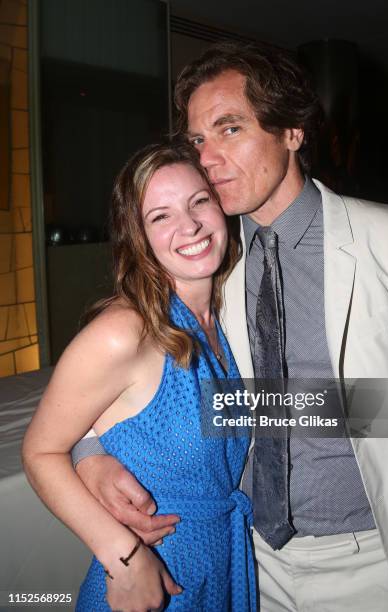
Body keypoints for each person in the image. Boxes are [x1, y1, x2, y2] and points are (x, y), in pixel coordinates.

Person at [72, 43, 388, 611]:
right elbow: (122, 363)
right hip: (247, 559)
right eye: (198, 140)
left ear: (293, 131)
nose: (209, 159)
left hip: (370, 557)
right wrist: (90, 449)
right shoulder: (205, 252)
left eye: (230, 130)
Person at [22, 142, 257, 612]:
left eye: (199, 201)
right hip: (150, 585)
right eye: (160, 216)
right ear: (138, 237)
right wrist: (124, 555)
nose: (189, 225)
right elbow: (40, 451)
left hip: (222, 570)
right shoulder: (124, 331)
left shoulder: (228, 317)